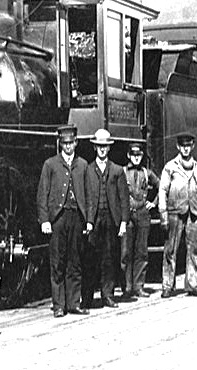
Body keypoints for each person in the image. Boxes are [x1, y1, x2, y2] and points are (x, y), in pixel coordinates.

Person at [37, 125, 91, 316]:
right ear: (61, 144)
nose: (68, 147)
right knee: (57, 262)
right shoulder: (50, 164)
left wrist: (89, 220)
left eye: (71, 143)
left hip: (76, 216)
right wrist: (44, 220)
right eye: (65, 143)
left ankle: (73, 303)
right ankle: (58, 305)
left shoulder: (83, 165)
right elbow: (42, 193)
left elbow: (89, 194)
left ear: (76, 143)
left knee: (75, 261)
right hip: (57, 218)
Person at [157, 131, 197, 298]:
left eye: (189, 146)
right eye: (183, 146)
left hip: (193, 213)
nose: (186, 149)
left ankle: (193, 285)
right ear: (178, 147)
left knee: (194, 250)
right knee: (170, 250)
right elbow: (163, 190)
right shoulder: (170, 167)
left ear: (192, 147)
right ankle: (167, 285)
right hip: (175, 213)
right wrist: (163, 214)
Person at [83, 128, 129, 308]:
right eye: (99, 146)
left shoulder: (117, 170)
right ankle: (87, 298)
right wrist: (88, 220)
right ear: (95, 148)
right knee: (90, 258)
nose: (102, 150)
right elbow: (85, 196)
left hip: (111, 218)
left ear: (109, 149)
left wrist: (123, 222)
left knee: (109, 258)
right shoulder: (87, 169)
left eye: (105, 147)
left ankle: (108, 295)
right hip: (94, 219)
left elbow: (124, 198)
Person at [122, 140, 159, 298]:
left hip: (143, 213)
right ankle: (127, 287)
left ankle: (138, 286)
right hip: (128, 215)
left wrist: (154, 203)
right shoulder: (122, 172)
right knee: (126, 252)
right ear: (128, 155)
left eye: (139, 155)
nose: (136, 158)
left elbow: (162, 185)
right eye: (133, 155)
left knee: (141, 251)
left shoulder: (147, 173)